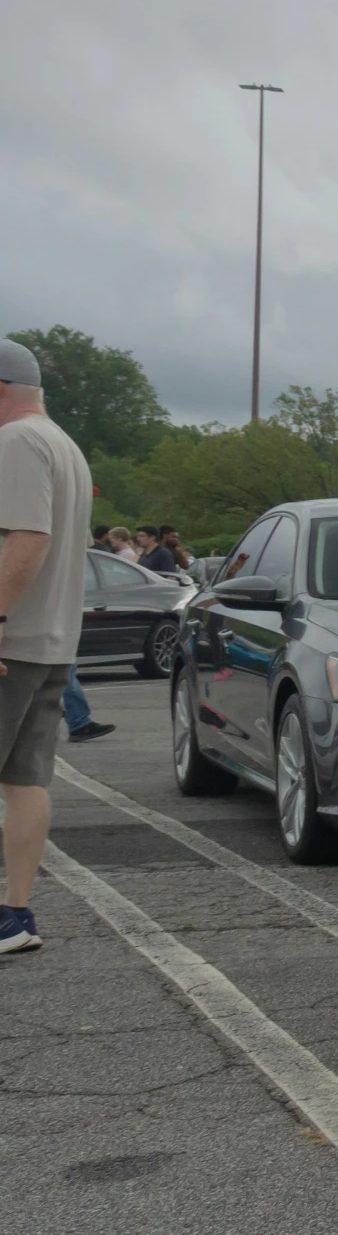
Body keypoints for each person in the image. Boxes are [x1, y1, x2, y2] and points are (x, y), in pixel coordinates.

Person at [0, 338, 94, 953]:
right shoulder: (64, 444)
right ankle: (15, 916)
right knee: (25, 779)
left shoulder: (15, 443)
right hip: (52, 640)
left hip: (12, 638)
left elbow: (27, 539)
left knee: (22, 779)